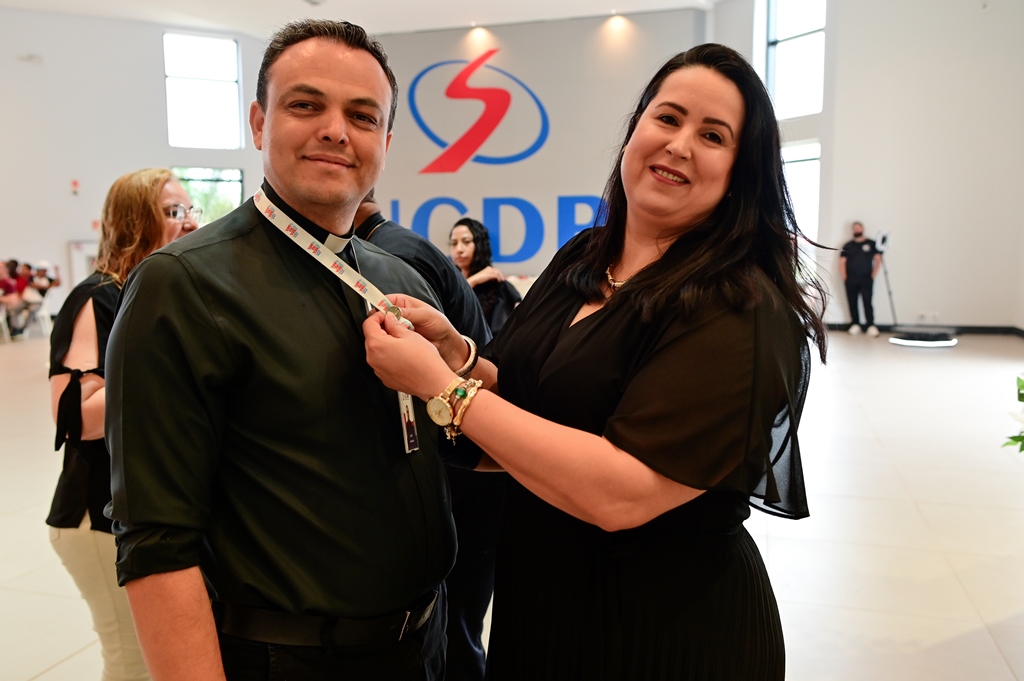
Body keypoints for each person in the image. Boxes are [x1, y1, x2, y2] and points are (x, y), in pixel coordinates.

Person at [364, 43, 828, 680]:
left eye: (713, 135)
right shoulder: (585, 257)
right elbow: (528, 407)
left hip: (664, 628)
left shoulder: (738, 307)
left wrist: (444, 388)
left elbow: (620, 492)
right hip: (544, 604)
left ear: (740, 172)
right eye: (668, 118)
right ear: (636, 129)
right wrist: (457, 354)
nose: (680, 145)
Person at [106, 20, 456, 681]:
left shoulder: (402, 283)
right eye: (306, 105)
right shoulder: (183, 286)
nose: (335, 130)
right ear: (259, 123)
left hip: (424, 645)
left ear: (385, 143)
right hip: (287, 658)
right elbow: (156, 541)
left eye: (363, 116)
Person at [47, 167, 198, 681]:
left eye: (190, 209)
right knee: (132, 663)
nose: (189, 222)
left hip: (146, 511)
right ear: (135, 222)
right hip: (95, 516)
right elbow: (74, 419)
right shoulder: (98, 296)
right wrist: (158, 366)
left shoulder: (159, 293)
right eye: (173, 211)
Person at [354, 191, 500, 681]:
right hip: (470, 454)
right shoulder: (396, 250)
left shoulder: (390, 261)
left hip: (466, 461)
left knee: (454, 628)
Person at [448, 217, 521, 334]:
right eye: (454, 243)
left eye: (466, 242)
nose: (459, 249)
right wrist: (473, 281)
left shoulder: (497, 285)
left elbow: (501, 334)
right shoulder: (448, 283)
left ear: (480, 245)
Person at [839, 220, 882, 336]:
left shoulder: (871, 244)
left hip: (866, 278)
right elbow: (842, 262)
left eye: (858, 228)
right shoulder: (848, 245)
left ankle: (870, 325)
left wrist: (873, 275)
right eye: (855, 228)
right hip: (851, 278)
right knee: (852, 302)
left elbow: (878, 259)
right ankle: (855, 324)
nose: (857, 230)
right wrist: (845, 277)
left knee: (867, 302)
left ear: (863, 229)